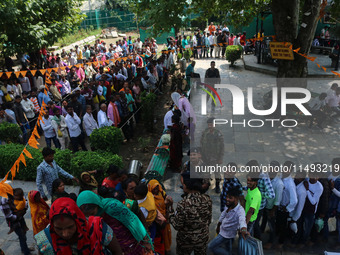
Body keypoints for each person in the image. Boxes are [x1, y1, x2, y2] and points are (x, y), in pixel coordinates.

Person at [35, 197, 122, 255]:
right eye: (58, 229)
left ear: (78, 221)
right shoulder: (46, 241)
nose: (65, 234)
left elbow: (117, 252)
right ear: (52, 225)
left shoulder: (98, 229)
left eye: (70, 227)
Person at [77, 191, 153, 255]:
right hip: (116, 249)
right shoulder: (83, 220)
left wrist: (145, 240)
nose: (91, 217)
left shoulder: (113, 206)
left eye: (93, 213)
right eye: (87, 216)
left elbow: (133, 220)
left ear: (97, 205)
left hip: (134, 245)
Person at [168, 171, 212, 255]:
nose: (182, 186)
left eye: (183, 184)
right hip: (202, 239)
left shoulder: (183, 204)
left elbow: (177, 225)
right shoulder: (207, 199)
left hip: (185, 242)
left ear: (188, 186)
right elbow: (208, 220)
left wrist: (170, 209)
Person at [208, 187, 248, 255]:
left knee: (211, 247)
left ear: (236, 198)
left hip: (226, 235)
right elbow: (223, 215)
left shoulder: (240, 211)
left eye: (230, 198)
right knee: (227, 248)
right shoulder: (228, 205)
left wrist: (244, 229)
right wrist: (218, 225)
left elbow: (242, 221)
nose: (227, 199)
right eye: (227, 197)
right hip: (223, 231)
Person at [262, 161, 284, 249]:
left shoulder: (279, 184)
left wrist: (272, 211)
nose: (271, 170)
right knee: (264, 221)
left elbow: (277, 201)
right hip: (264, 205)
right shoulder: (265, 177)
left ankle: (271, 241)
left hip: (271, 208)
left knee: (271, 225)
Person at [276, 161, 298, 249]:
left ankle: (281, 242)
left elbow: (295, 200)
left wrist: (287, 208)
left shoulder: (290, 184)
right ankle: (277, 234)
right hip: (279, 205)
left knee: (283, 225)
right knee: (278, 222)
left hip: (284, 208)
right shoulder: (281, 176)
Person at [148, 179, 172, 254]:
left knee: (165, 236)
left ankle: (165, 249)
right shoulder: (149, 198)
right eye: (154, 188)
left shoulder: (162, 194)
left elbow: (166, 207)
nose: (156, 190)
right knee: (158, 238)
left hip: (164, 219)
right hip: (157, 222)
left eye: (157, 188)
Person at [200, 117, 224, 193]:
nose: (210, 126)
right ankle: (207, 184)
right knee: (206, 172)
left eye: (211, 124)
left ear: (215, 124)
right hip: (206, 156)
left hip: (215, 157)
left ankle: (217, 186)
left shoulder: (218, 134)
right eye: (209, 124)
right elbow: (201, 143)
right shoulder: (205, 132)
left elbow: (222, 147)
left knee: (216, 172)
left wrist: (220, 158)